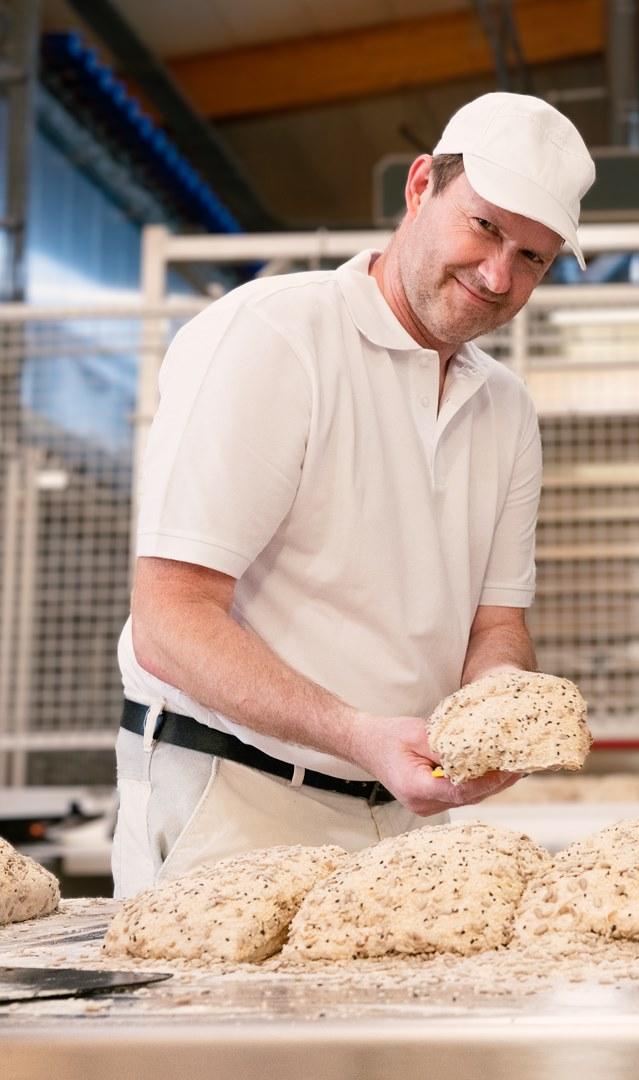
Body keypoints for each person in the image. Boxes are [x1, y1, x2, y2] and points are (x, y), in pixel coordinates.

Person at [111, 92, 596, 897]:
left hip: (407, 812)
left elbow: (496, 627)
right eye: (484, 227)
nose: (498, 275)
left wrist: (500, 706)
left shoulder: (505, 409)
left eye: (533, 258)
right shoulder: (275, 338)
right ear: (420, 187)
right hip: (238, 800)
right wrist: (356, 734)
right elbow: (170, 619)